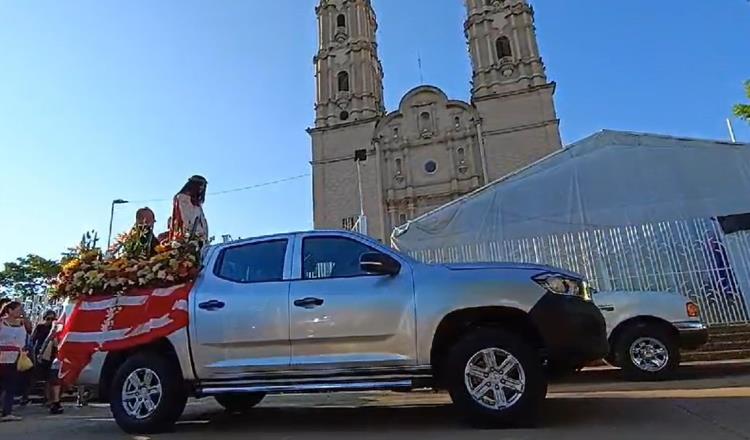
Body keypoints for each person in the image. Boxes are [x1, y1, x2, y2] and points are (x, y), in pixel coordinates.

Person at [0, 301, 30, 422]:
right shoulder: (1, 322)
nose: (20, 312)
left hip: (16, 357)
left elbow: (29, 330)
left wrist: (25, 316)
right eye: (18, 309)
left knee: (10, 386)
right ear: (10, 310)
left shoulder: (22, 323)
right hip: (2, 356)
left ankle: (7, 411)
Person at [170, 175, 208, 242]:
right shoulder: (183, 198)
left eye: (203, 186)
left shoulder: (197, 203)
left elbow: (202, 221)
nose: (201, 188)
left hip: (199, 237)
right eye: (200, 185)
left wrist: (204, 235)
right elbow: (186, 219)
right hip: (188, 236)